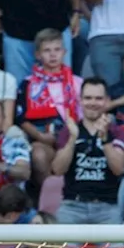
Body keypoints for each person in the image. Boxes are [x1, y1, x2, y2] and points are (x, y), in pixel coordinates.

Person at [52, 78, 124, 226]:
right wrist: (72, 139)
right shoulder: (69, 130)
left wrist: (105, 140)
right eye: (88, 98)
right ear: (80, 100)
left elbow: (118, 169)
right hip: (72, 205)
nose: (93, 103)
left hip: (107, 207)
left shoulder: (116, 131)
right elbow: (57, 169)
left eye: (98, 98)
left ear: (107, 101)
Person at [16, 28, 83, 185]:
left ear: (64, 52)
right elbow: (20, 118)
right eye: (47, 50)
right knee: (38, 154)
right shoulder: (28, 83)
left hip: (73, 137)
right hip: (43, 137)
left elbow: (85, 115)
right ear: (38, 55)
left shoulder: (78, 82)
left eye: (57, 50)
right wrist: (39, 137)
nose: (53, 55)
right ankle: (51, 200)